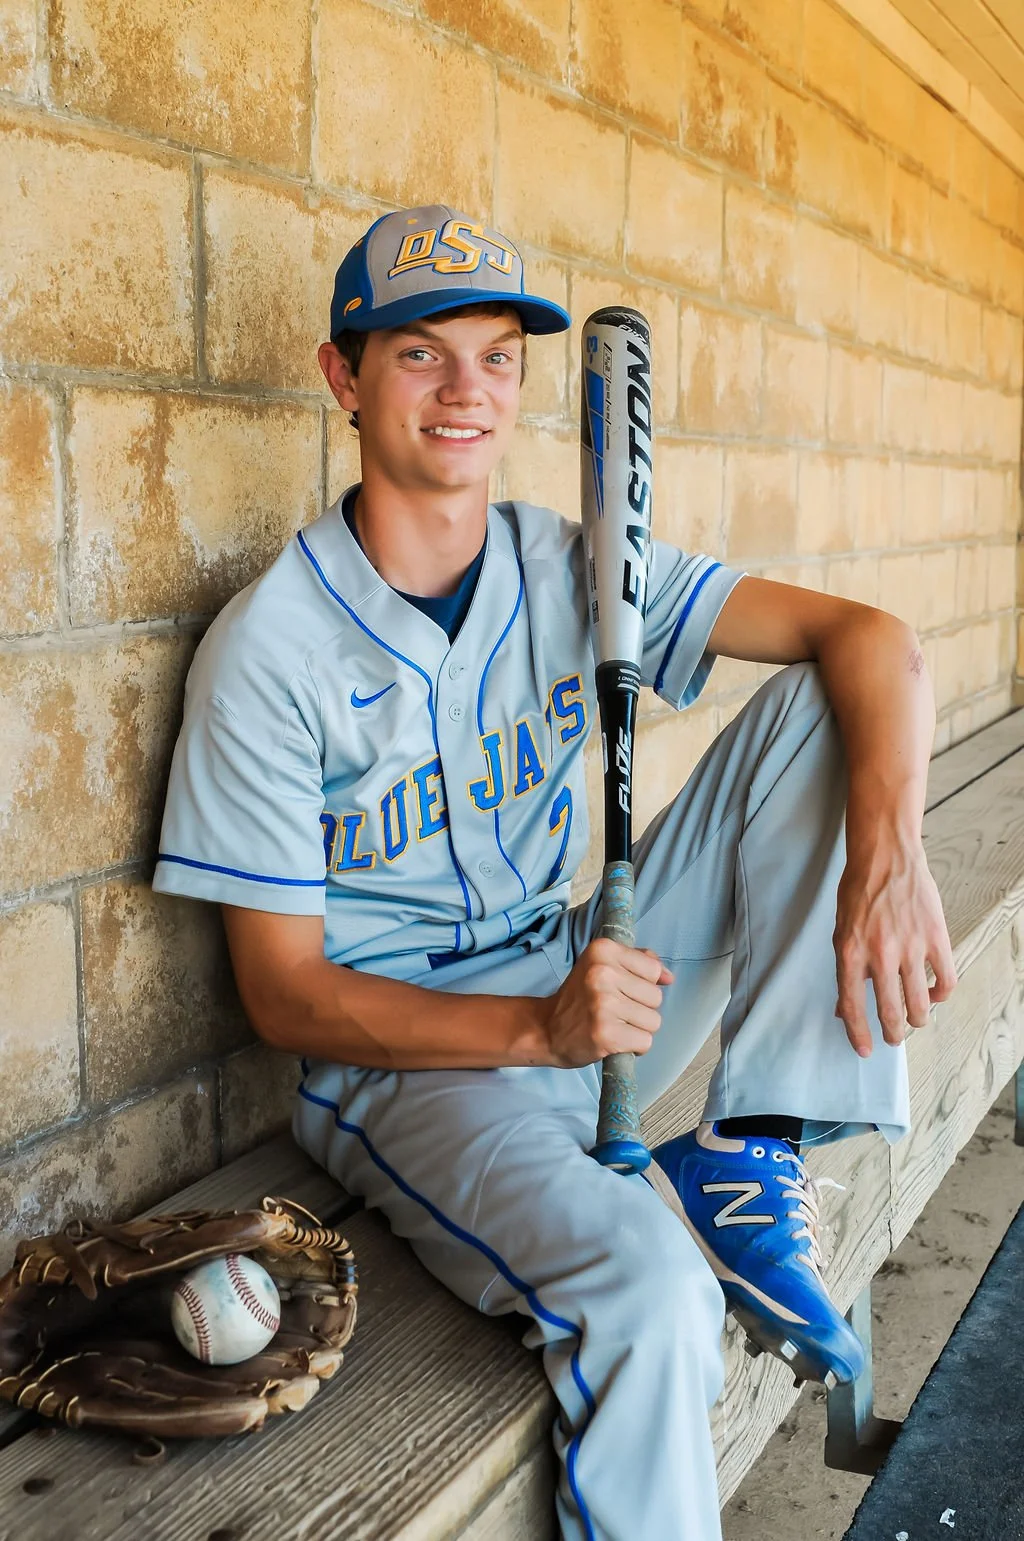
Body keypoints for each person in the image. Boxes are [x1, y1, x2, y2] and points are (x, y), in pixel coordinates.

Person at [153, 204, 956, 1541]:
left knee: (834, 705)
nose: (470, 390)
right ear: (343, 379)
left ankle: (752, 1147)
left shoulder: (575, 561)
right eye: (421, 355)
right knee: (654, 1297)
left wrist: (889, 856)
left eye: (498, 354)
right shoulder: (271, 650)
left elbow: (870, 638)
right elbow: (285, 998)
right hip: (422, 1067)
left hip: (595, 968)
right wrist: (538, 1028)